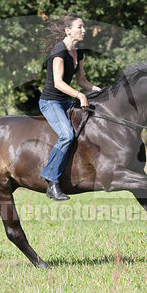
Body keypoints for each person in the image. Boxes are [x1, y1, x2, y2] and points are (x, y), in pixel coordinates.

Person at [39, 13, 100, 201]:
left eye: (83, 27)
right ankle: (51, 181)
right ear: (68, 31)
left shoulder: (78, 51)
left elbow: (82, 81)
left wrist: (102, 91)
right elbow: (58, 83)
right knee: (67, 135)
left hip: (66, 100)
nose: (84, 30)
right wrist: (80, 95)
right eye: (79, 27)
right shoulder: (59, 51)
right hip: (51, 102)